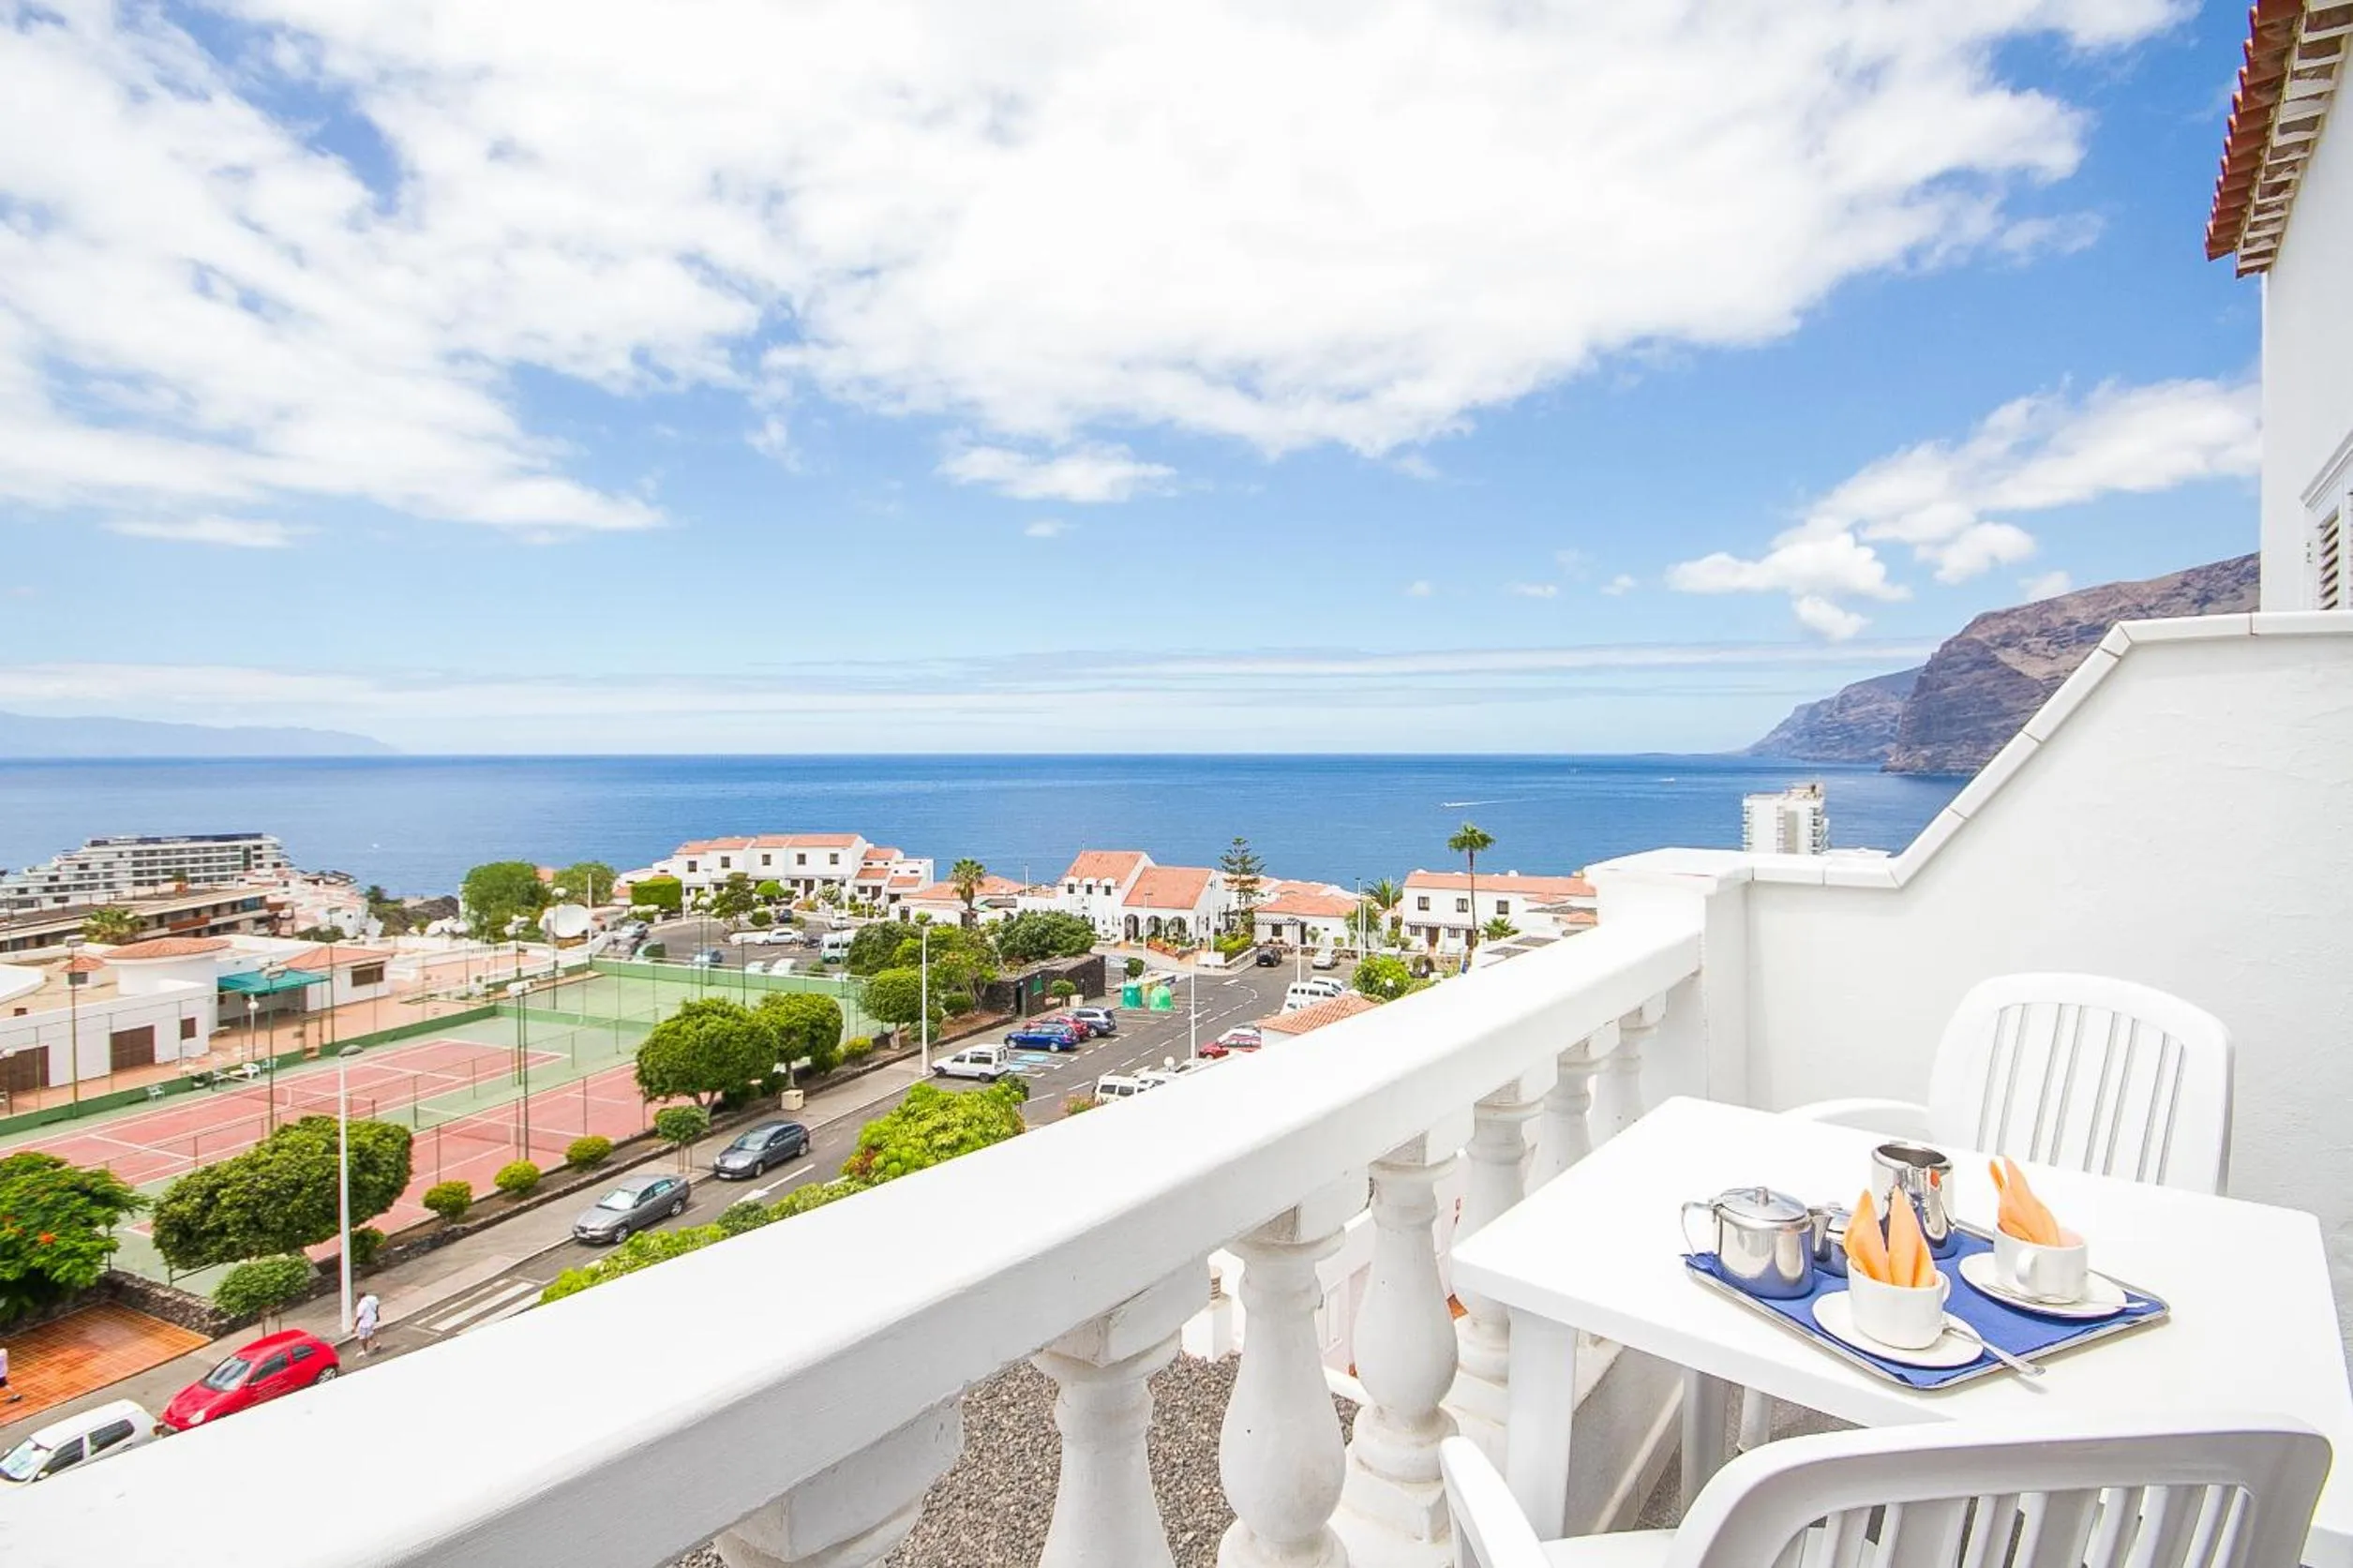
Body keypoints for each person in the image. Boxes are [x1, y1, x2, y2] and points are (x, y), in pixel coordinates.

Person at [353, 1292, 382, 1356]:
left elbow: (359, 1317)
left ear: (359, 1297)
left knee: (362, 1337)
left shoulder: (361, 1305)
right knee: (369, 1334)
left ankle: (364, 1351)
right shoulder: (373, 1298)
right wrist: (377, 1313)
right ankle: (376, 1344)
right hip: (372, 1319)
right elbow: (377, 1305)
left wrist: (355, 1326)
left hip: (364, 1323)